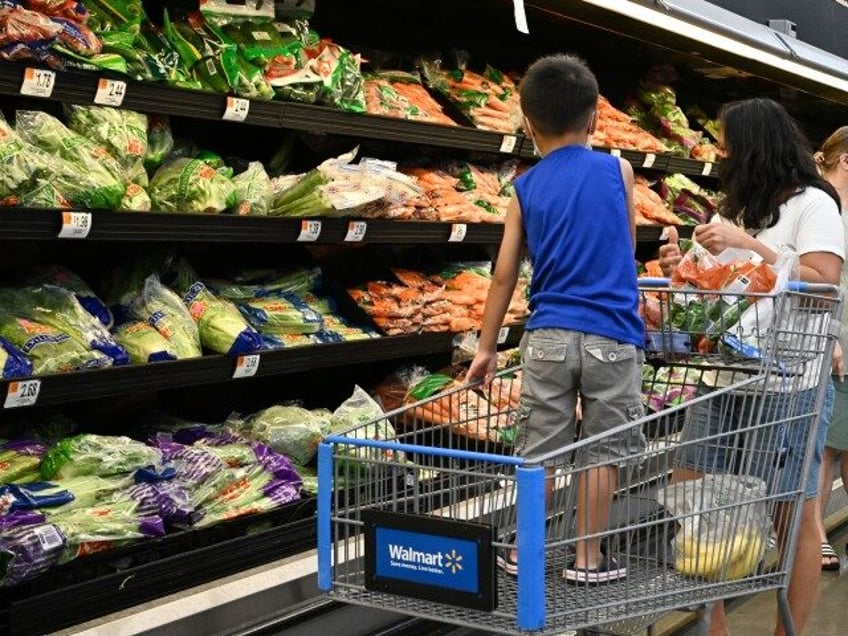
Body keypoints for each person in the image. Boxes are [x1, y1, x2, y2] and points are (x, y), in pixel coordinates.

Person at [659, 98, 844, 636]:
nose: (721, 154)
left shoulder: (815, 205)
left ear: (755, 148)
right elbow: (713, 284)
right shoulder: (734, 210)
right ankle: (713, 626)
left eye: (728, 144)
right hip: (724, 376)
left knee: (793, 511)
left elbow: (823, 281)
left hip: (791, 382)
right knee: (692, 489)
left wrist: (750, 247)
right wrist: (681, 268)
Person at [466, 54, 646, 584]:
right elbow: (628, 249)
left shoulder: (524, 187)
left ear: (526, 122)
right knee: (599, 451)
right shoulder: (619, 170)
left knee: (539, 451)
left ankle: (525, 553)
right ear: (594, 118)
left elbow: (503, 276)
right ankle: (588, 559)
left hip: (546, 336)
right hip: (612, 334)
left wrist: (485, 348)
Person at [813, 126, 848, 571]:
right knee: (823, 445)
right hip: (831, 340)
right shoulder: (826, 206)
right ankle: (815, 534)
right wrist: (831, 335)